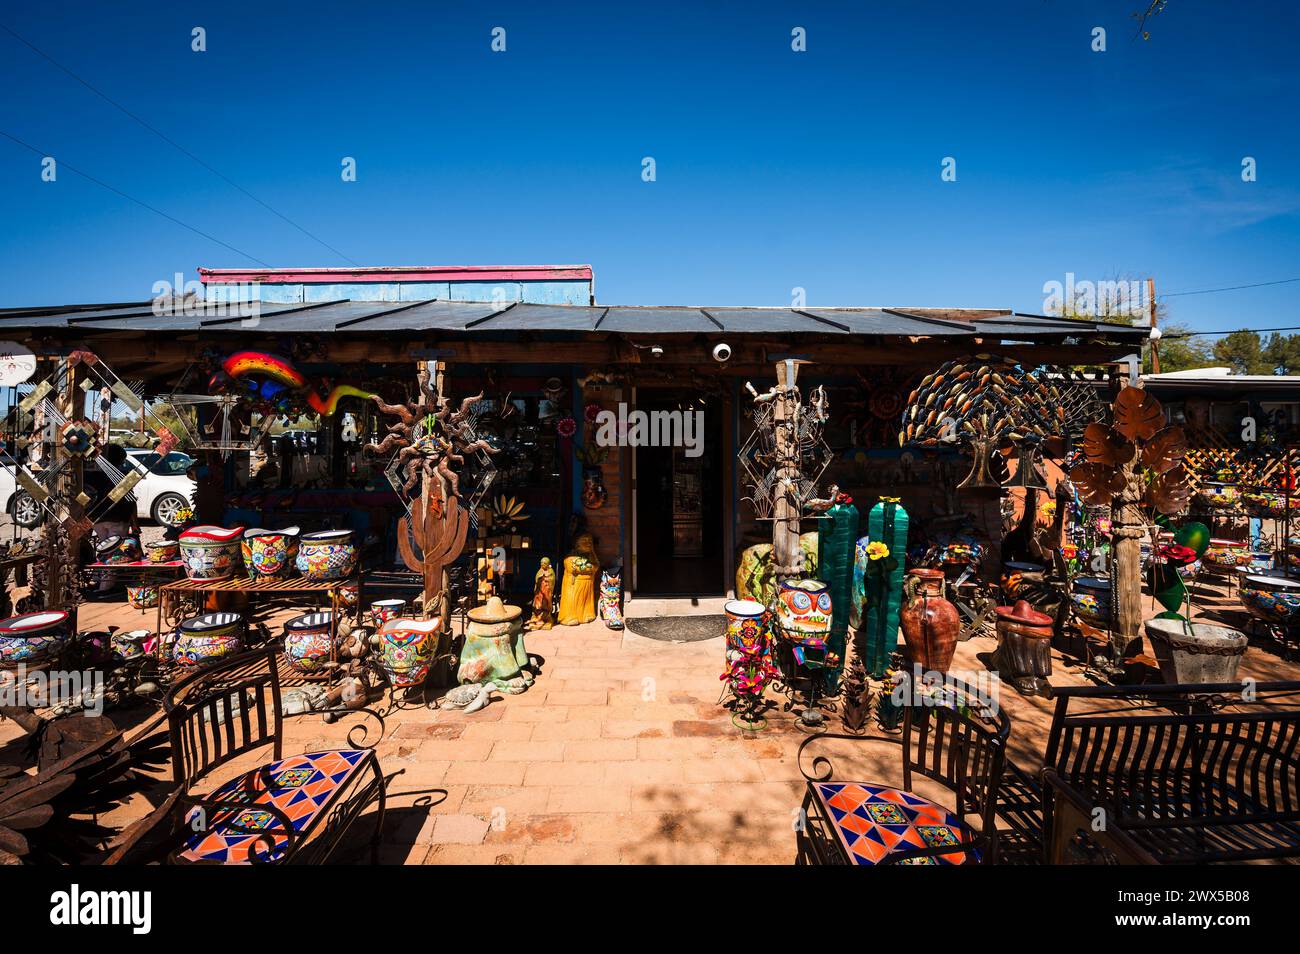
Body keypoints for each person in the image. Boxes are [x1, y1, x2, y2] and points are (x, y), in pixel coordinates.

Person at [85, 443, 140, 596]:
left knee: (104, 549)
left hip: (97, 518)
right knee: (114, 554)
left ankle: (98, 580)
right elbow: (131, 501)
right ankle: (105, 587)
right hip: (117, 518)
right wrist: (135, 523)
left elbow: (87, 495)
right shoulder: (123, 475)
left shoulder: (91, 473)